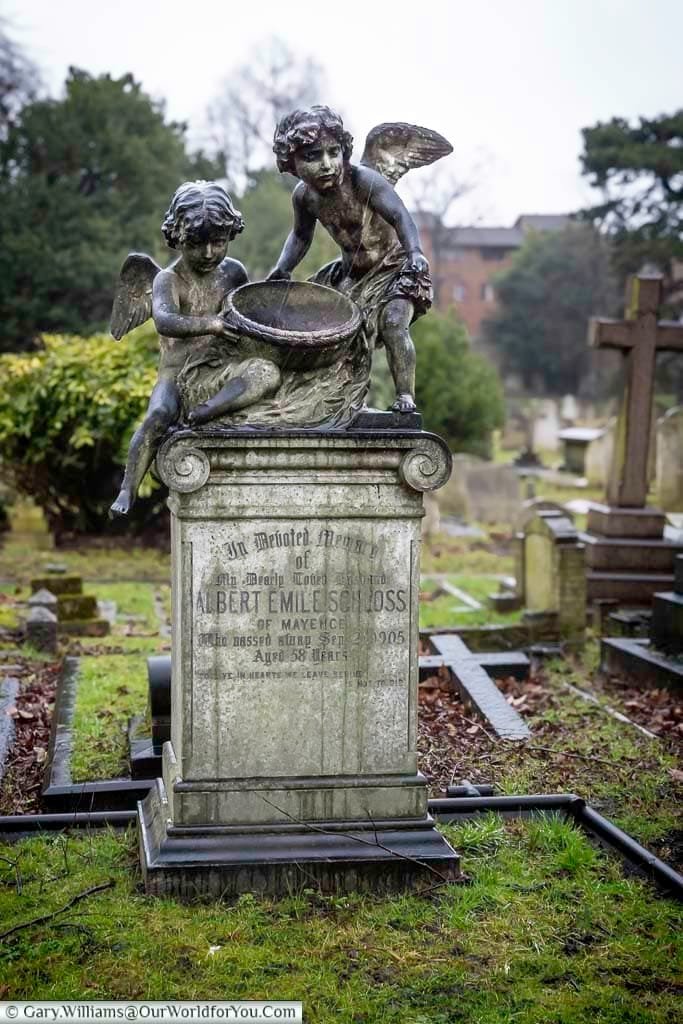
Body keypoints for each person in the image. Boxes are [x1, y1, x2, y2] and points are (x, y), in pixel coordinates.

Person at [110, 180, 278, 517]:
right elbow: (166, 321)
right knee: (157, 416)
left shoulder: (234, 273)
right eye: (196, 244)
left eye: (218, 242)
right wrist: (214, 324)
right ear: (177, 238)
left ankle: (204, 413)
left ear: (230, 235)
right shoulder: (167, 280)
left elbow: (248, 311)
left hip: (221, 370)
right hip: (178, 375)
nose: (208, 253)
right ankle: (127, 488)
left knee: (267, 373)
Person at [268, 106, 444, 413]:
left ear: (344, 151)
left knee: (392, 324)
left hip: (396, 267)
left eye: (333, 152)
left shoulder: (364, 180)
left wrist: (416, 253)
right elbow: (300, 237)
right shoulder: (304, 197)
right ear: (292, 162)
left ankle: (405, 397)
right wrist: (283, 268)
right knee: (333, 336)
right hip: (353, 275)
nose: (327, 164)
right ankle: (342, 402)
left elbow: (400, 216)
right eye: (312, 156)